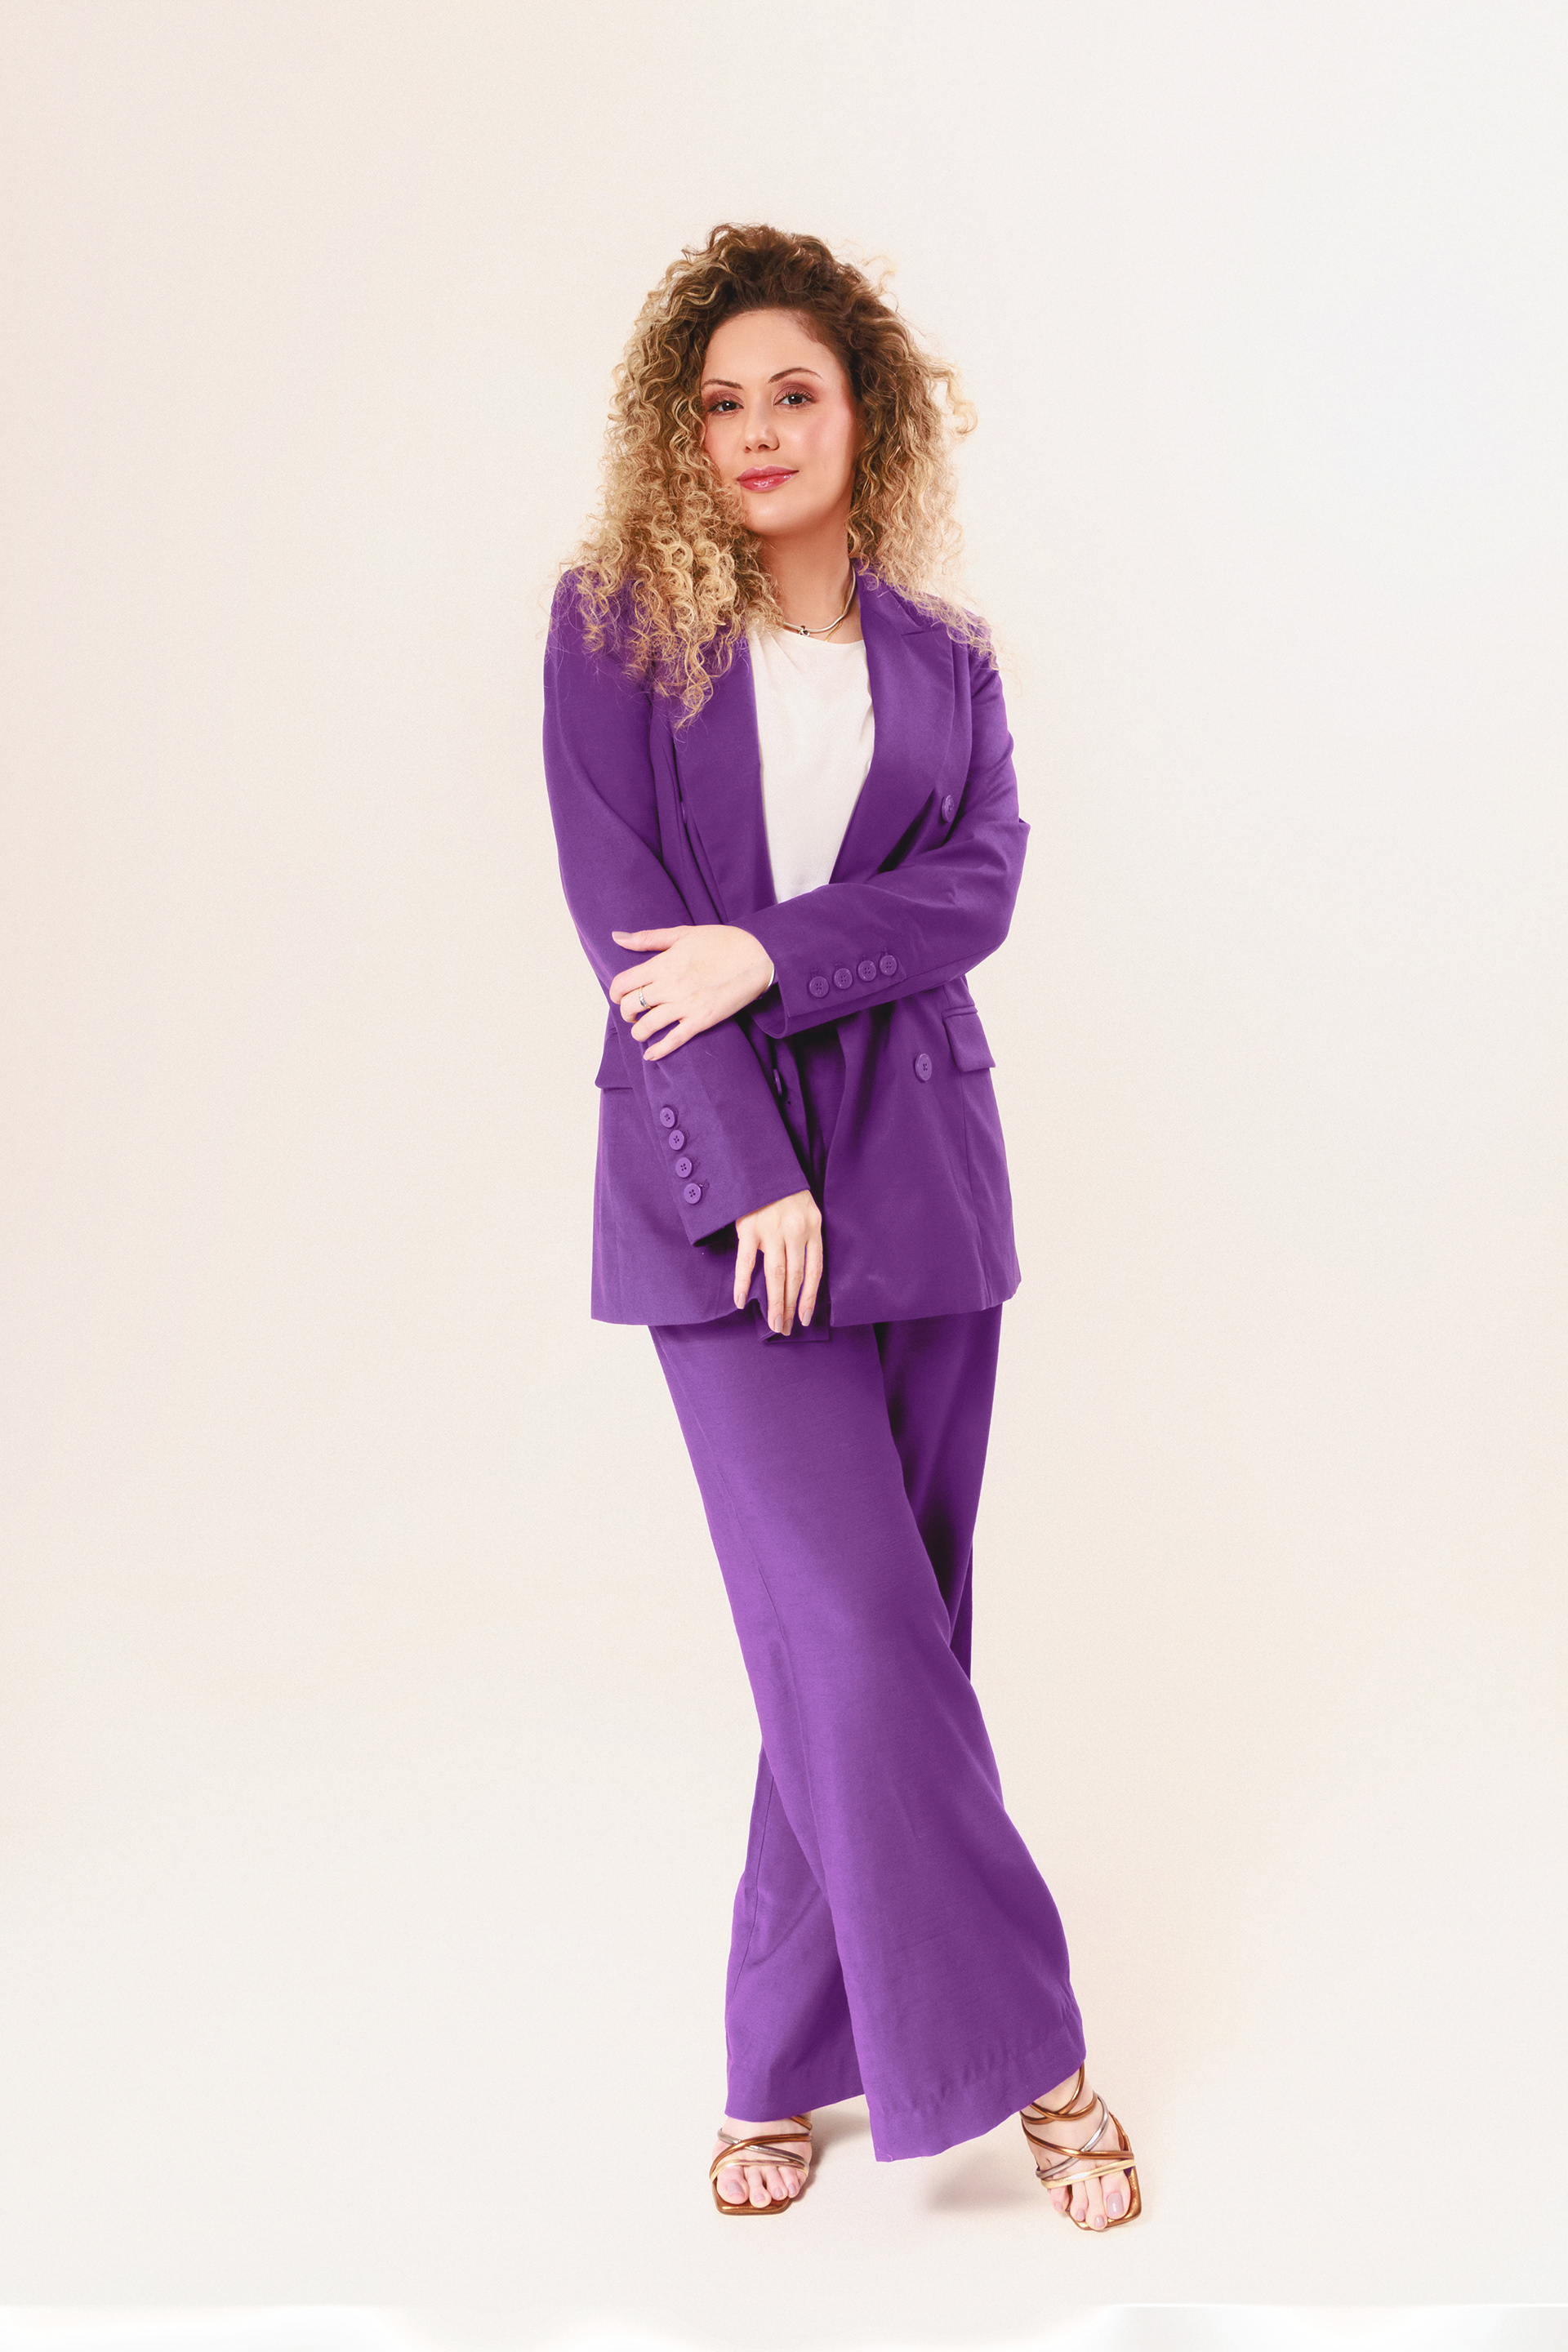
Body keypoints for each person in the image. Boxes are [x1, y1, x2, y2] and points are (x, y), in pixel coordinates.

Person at [541, 222, 1140, 2230]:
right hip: (724, 1203)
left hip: (928, 1188)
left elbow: (982, 886)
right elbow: (625, 917)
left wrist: (774, 953)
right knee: (862, 1641)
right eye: (720, 402)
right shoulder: (618, 631)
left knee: (877, 1641)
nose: (757, 430)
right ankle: (1036, 2050)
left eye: (794, 392)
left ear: (864, 413)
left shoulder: (946, 662)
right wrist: (753, 1166)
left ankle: (775, 2061)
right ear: (679, 433)